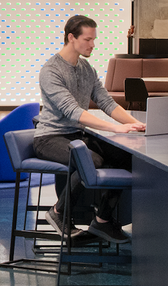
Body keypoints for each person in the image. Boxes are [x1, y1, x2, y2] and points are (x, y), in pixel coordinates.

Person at [31, 15, 145, 243]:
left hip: (76, 135)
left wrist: (133, 123)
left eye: (94, 39)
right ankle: (59, 211)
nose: (92, 44)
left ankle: (102, 221)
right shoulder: (51, 71)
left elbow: (106, 102)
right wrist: (115, 128)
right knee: (90, 160)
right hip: (50, 137)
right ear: (71, 38)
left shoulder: (86, 69)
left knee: (126, 157)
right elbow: (73, 111)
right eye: (88, 39)